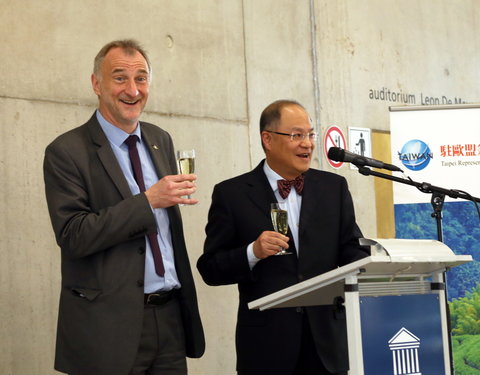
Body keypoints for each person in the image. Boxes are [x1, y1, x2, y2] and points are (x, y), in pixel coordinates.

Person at [43, 39, 205, 375]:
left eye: (141, 79)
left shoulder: (161, 139)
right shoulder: (66, 151)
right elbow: (74, 235)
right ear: (96, 84)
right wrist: (148, 202)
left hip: (170, 319)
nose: (133, 90)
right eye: (120, 78)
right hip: (108, 327)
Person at [197, 99, 369, 375]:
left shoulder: (333, 188)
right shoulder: (232, 194)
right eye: (296, 135)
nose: (308, 144)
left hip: (326, 344)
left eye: (310, 134)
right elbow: (210, 268)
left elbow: (351, 249)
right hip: (267, 347)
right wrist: (252, 252)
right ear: (268, 139)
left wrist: (378, 263)